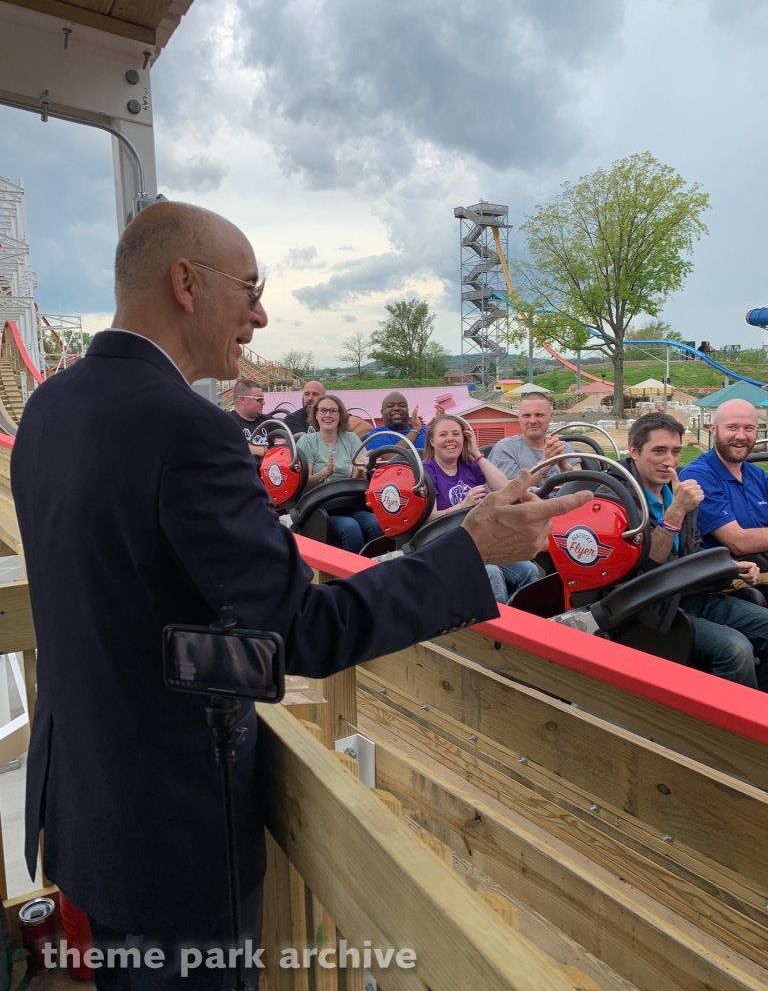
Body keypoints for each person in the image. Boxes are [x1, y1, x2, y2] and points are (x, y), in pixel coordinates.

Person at [11, 201, 591, 991]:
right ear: (186, 282)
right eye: (249, 287)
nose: (260, 313)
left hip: (80, 806)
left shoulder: (48, 406)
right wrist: (471, 551)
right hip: (172, 830)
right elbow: (303, 631)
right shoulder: (187, 430)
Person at [611, 412, 768, 690]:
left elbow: (693, 553)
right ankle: (728, 729)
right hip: (644, 606)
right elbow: (644, 566)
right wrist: (675, 513)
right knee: (735, 649)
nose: (669, 461)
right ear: (634, 451)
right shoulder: (618, 497)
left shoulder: (677, 492)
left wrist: (733, 568)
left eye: (675, 451)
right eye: (658, 451)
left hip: (687, 596)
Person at [422, 414, 539, 604]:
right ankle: (498, 628)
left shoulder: (470, 466)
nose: (450, 439)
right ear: (432, 441)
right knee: (490, 573)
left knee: (529, 570)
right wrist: (463, 506)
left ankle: (528, 620)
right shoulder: (427, 471)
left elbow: (505, 490)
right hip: (447, 543)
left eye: (456, 434)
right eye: (443, 434)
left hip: (483, 541)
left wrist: (476, 453)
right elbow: (429, 518)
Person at [679, 399, 768, 561]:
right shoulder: (698, 476)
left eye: (748, 428)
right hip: (732, 578)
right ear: (713, 429)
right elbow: (739, 542)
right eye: (732, 427)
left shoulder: (757, 475)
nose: (741, 436)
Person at [296, 394, 384, 552]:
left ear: (340, 415)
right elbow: (304, 484)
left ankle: (375, 567)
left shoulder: (351, 439)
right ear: (316, 415)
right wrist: (326, 472)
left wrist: (360, 469)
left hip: (348, 502)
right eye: (323, 410)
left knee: (375, 523)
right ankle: (351, 573)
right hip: (320, 506)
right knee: (350, 528)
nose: (328, 415)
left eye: (333, 411)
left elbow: (356, 479)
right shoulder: (307, 442)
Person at [488, 392, 579, 486]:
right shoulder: (506, 448)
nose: (532, 421)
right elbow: (507, 491)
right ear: (519, 417)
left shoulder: (563, 448)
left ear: (551, 416)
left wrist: (565, 467)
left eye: (539, 415)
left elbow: (580, 485)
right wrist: (546, 464)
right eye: (526, 415)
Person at [365, 391, 440, 451]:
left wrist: (439, 423)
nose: (396, 408)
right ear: (382, 412)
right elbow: (390, 458)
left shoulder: (423, 430)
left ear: (407, 411)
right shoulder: (376, 435)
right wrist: (415, 430)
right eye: (390, 406)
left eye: (402, 405)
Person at [229, 378, 273, 460]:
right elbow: (230, 448)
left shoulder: (269, 421)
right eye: (259, 399)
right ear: (243, 400)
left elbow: (282, 445)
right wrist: (264, 451)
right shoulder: (227, 421)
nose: (263, 402)